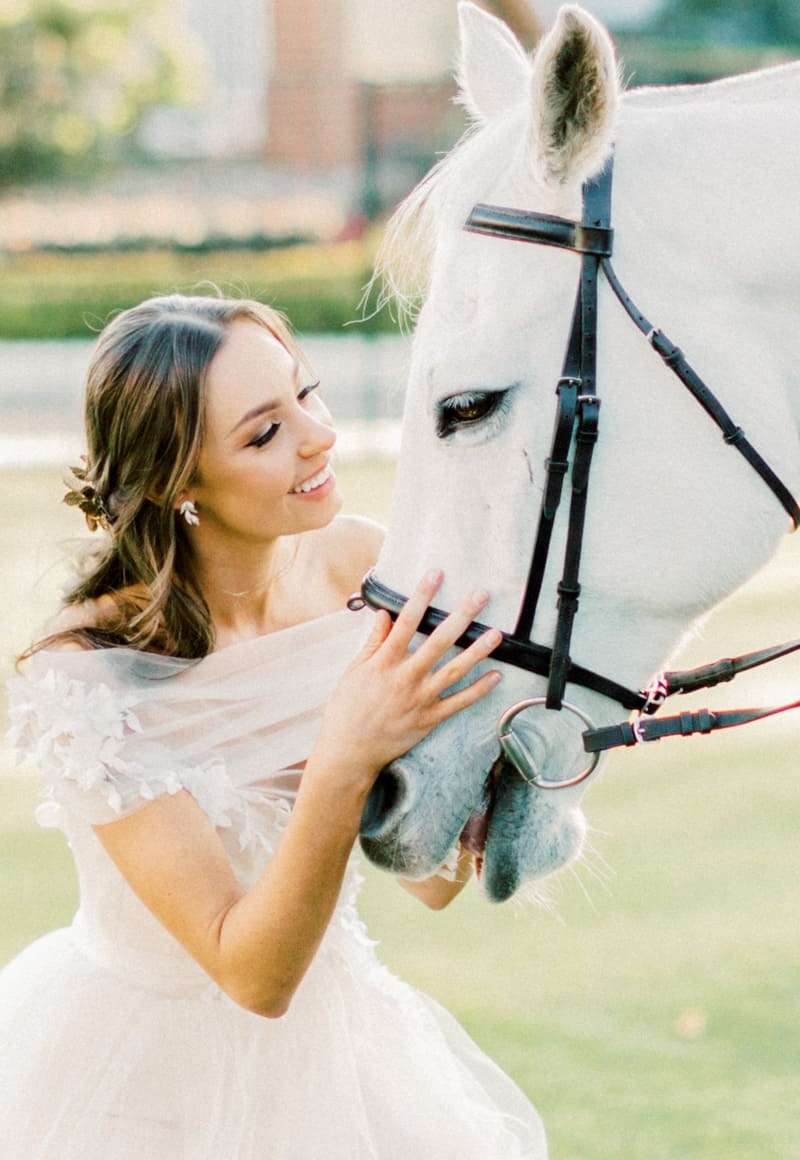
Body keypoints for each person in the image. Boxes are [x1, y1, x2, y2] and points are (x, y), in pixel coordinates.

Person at [0, 293, 547, 1158]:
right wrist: (350, 747)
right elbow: (251, 974)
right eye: (264, 434)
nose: (319, 436)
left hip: (343, 1055)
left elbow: (429, 880)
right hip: (135, 1085)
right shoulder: (89, 677)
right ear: (180, 482)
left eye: (308, 393)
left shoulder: (367, 570)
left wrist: (502, 755)